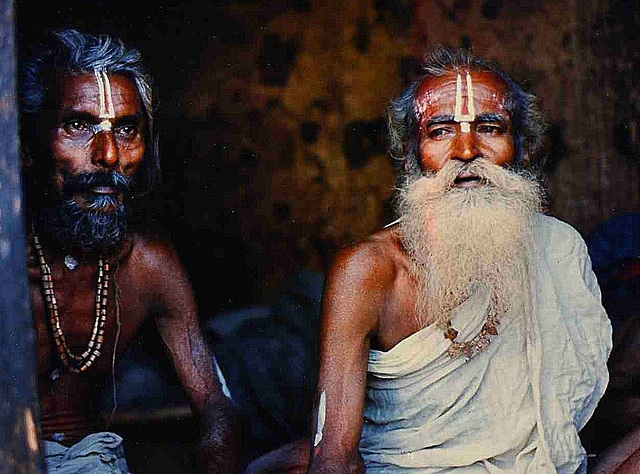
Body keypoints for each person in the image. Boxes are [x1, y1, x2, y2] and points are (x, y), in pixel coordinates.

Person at [245, 47, 621, 473]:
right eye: (441, 131)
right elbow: (333, 453)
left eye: (490, 127)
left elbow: (568, 421)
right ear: (410, 157)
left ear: (525, 149)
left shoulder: (558, 250)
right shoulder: (369, 269)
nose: (465, 150)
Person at [19, 29, 237, 473]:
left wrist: (216, 448)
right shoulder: (8, 263)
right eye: (78, 125)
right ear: (27, 144)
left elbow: (216, 402)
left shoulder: (146, 265)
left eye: (126, 129)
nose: (109, 154)